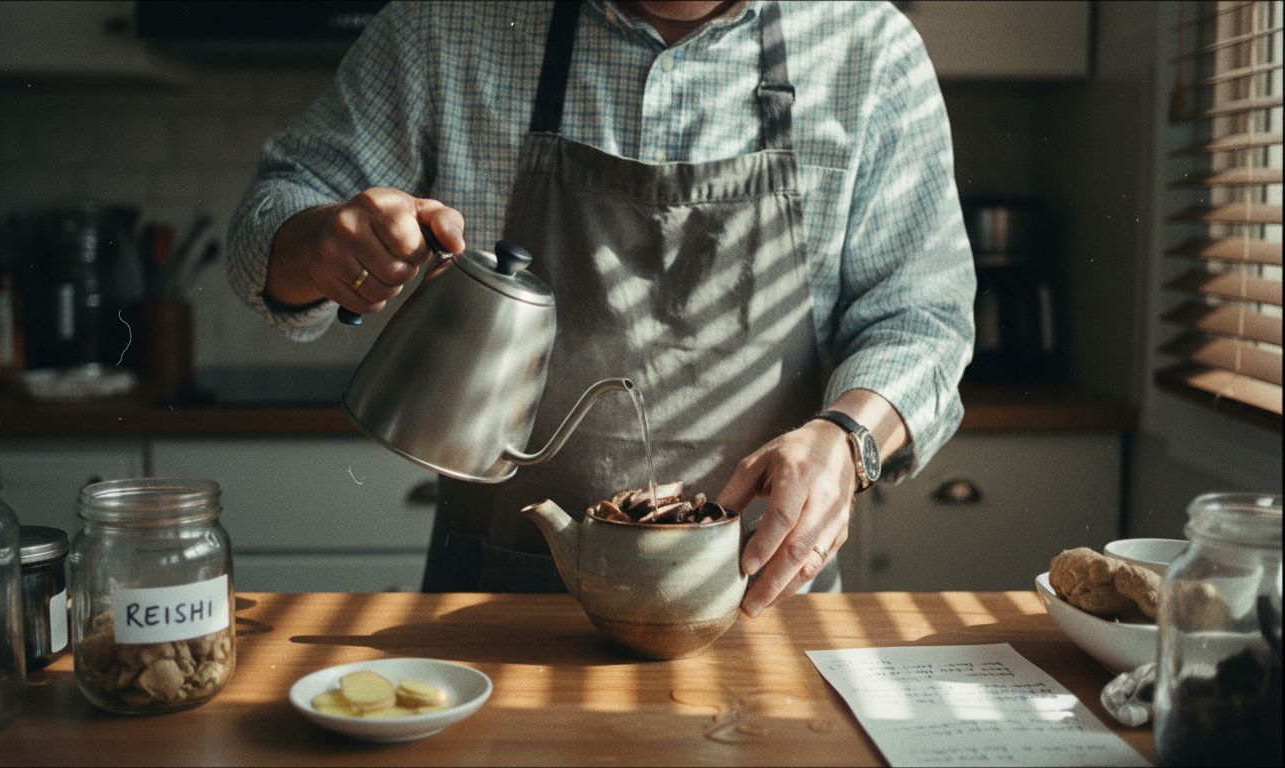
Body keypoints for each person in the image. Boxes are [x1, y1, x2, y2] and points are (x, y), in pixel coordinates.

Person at [227, 1, 975, 617]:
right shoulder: (443, 26)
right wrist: (322, 241)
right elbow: (271, 214)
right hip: (493, 602)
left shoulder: (867, 50)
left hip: (756, 601)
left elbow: (922, 319)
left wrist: (847, 436)